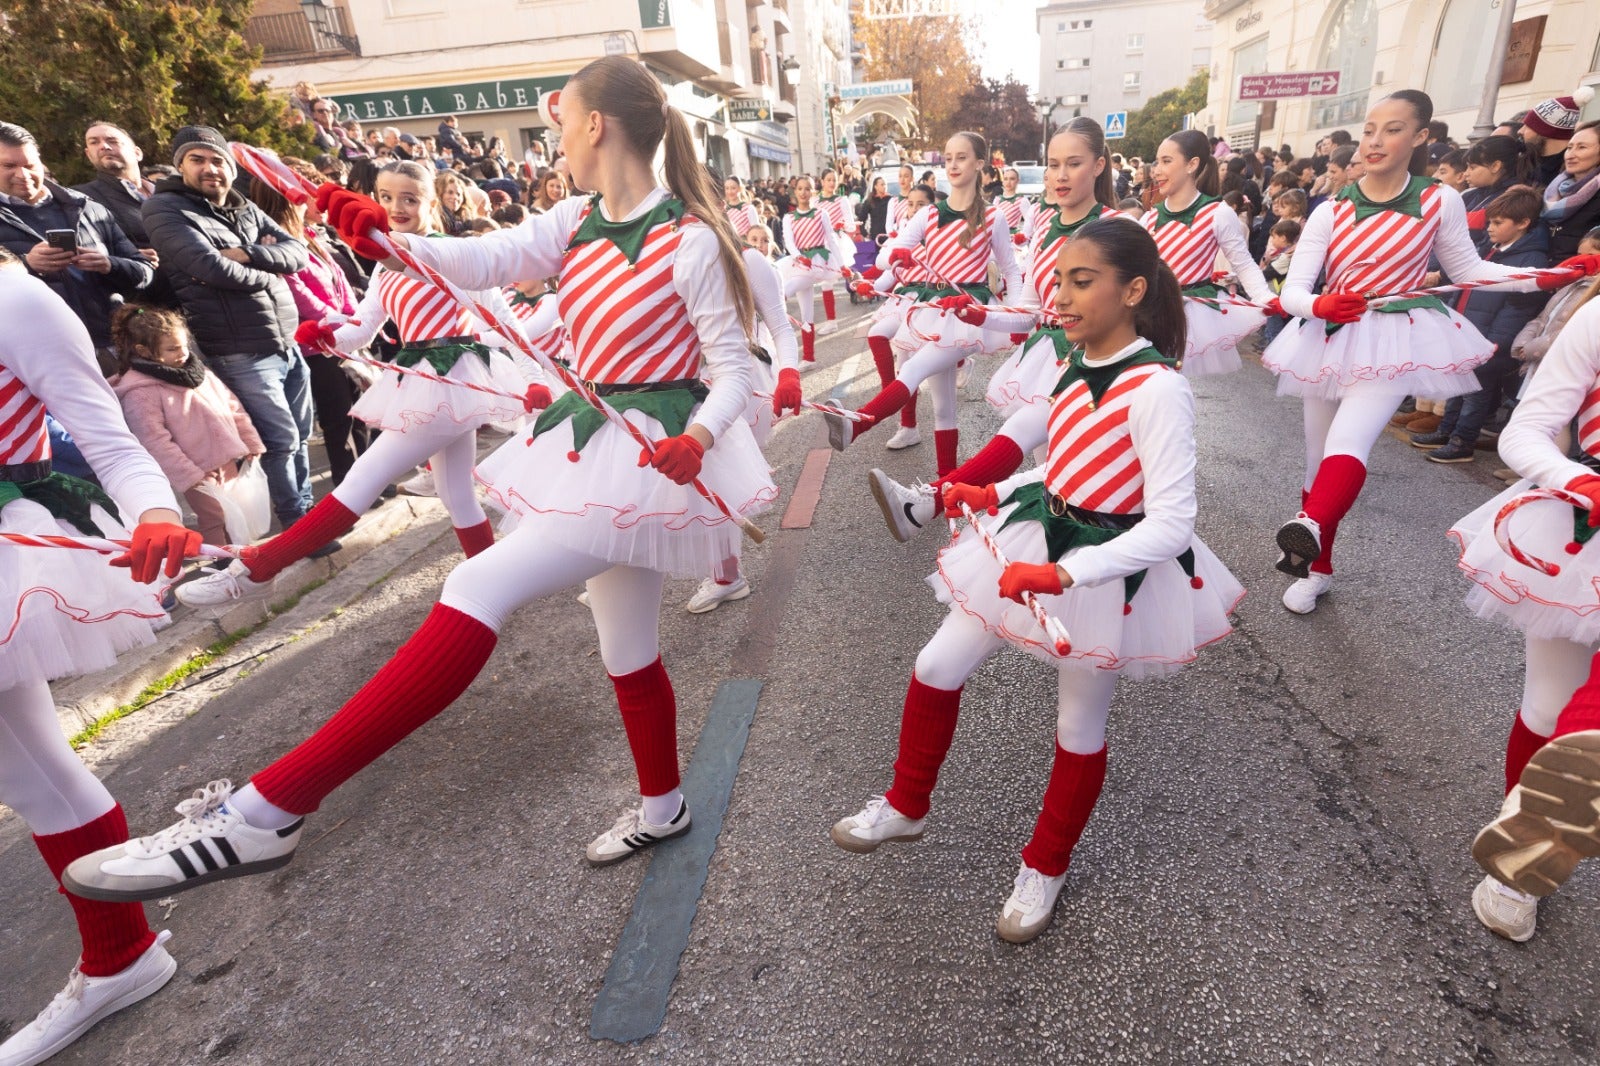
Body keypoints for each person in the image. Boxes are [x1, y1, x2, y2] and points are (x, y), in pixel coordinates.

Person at [62, 58, 775, 906]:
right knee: (627, 646)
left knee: (479, 580)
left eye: (561, 123)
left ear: (595, 126)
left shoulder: (691, 237)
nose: (556, 142)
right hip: (596, 443)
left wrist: (698, 436)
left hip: (650, 451)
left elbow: (731, 365)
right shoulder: (574, 218)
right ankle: (664, 808)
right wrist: (380, 239)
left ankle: (267, 810)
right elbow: (476, 259)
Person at [830, 218, 1242, 943]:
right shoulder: (1076, 362)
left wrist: (1064, 573)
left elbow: (1171, 523)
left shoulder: (1157, 389)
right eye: (1059, 279)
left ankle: (1045, 865)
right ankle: (906, 804)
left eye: (1082, 282)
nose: (1062, 295)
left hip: (1108, 572)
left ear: (1133, 290)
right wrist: (994, 493)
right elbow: (1068, 462)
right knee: (934, 664)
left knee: (1077, 725)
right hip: (1038, 530)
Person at [1259, 90, 1600, 615]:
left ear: (1420, 137)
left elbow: (1470, 272)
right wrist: (1321, 303)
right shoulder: (1333, 207)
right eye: (1370, 129)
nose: (1375, 141)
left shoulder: (1439, 200)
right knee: (1315, 458)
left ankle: (1309, 527)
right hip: (1330, 335)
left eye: (1392, 129)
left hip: (1396, 338)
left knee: (1348, 443)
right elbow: (1294, 291)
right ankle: (1317, 564)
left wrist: (1547, 275)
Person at [0, 251, 200, 1066]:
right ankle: (121, 954)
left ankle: (120, 956)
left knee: (30, 771)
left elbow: (106, 435)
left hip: (13, 535)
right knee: (24, 770)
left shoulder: (15, 299)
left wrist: (154, 510)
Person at [176, 160, 530, 607]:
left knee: (365, 474)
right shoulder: (383, 268)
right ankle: (497, 584)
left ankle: (259, 569)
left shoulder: (454, 253)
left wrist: (534, 382)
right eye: (386, 197)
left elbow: (505, 318)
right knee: (455, 492)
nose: (396, 207)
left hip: (452, 377)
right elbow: (362, 329)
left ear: (432, 202)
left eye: (410, 198)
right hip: (422, 377)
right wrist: (326, 335)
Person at [1446, 278, 1600, 940]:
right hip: (1585, 525)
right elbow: (1526, 430)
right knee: (1548, 702)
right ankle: (1518, 863)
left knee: (1580, 719)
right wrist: (1579, 479)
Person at [142, 125, 315, 533]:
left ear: (231, 168)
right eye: (196, 160)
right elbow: (209, 268)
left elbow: (297, 252)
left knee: (302, 434)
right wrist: (271, 270)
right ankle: (297, 522)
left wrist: (250, 253)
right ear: (180, 165)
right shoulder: (165, 209)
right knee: (280, 440)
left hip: (284, 340)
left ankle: (309, 511)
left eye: (217, 160)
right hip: (240, 347)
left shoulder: (244, 207)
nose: (209, 169)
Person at [825, 132, 1023, 477]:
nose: (953, 164)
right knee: (944, 409)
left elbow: (1011, 271)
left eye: (962, 157)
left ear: (979, 164)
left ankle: (857, 425)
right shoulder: (929, 214)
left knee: (912, 370)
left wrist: (1018, 317)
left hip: (964, 312)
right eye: (948, 157)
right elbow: (889, 253)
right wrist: (894, 257)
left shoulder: (994, 217)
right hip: (930, 311)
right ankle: (945, 489)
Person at [248, 170, 374, 492]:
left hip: (347, 336)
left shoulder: (309, 234)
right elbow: (297, 293)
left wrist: (354, 319)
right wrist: (339, 323)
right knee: (339, 418)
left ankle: (371, 480)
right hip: (318, 345)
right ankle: (350, 488)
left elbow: (339, 278)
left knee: (362, 411)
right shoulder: (273, 242)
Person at [0, 122, 155, 371]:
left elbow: (144, 272)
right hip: (42, 356)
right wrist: (26, 265)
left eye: (29, 165)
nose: (23, 175)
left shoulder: (88, 208)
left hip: (116, 343)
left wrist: (108, 265)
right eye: (9, 166)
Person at [108, 304, 264, 548]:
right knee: (215, 517)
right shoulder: (140, 393)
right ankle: (220, 565)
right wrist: (190, 476)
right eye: (172, 349)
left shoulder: (197, 372)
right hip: (196, 470)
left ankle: (241, 557)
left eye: (184, 345)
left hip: (225, 458)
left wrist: (250, 440)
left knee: (236, 510)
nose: (182, 353)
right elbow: (154, 440)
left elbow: (231, 406)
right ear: (144, 351)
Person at [1415, 186, 1551, 463]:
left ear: (1523, 223)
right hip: (1467, 329)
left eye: (1498, 222)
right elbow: (1463, 285)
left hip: (1489, 340)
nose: (1490, 227)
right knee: (1458, 385)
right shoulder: (1491, 248)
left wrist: (1494, 342)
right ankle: (1446, 430)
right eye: (1490, 221)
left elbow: (1517, 308)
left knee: (1476, 394)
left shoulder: (1531, 260)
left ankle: (1462, 441)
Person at [1141, 129, 1273, 376]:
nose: (1156, 170)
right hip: (1150, 312)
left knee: (1172, 384)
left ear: (1192, 165)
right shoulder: (1150, 217)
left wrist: (1265, 298)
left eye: (1166, 161)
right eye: (1156, 162)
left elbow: (1243, 263)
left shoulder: (1217, 213)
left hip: (1190, 315)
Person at [781, 175, 853, 360]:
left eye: (807, 189)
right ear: (795, 191)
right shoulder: (788, 217)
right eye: (800, 188)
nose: (803, 192)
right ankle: (809, 358)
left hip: (818, 262)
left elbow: (831, 241)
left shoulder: (821, 214)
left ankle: (766, 327)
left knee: (782, 293)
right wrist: (798, 257)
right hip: (799, 263)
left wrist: (843, 265)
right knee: (806, 313)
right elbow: (789, 242)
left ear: (813, 192)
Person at [1543, 121, 1600, 262]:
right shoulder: (1552, 189)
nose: (1570, 155)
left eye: (1581, 147)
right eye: (1569, 147)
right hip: (1543, 273)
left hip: (1581, 278)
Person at [1520, 87, 1596, 188]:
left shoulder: (1574, 169)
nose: (1520, 131)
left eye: (1528, 126)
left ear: (1546, 131)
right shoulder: (1525, 161)